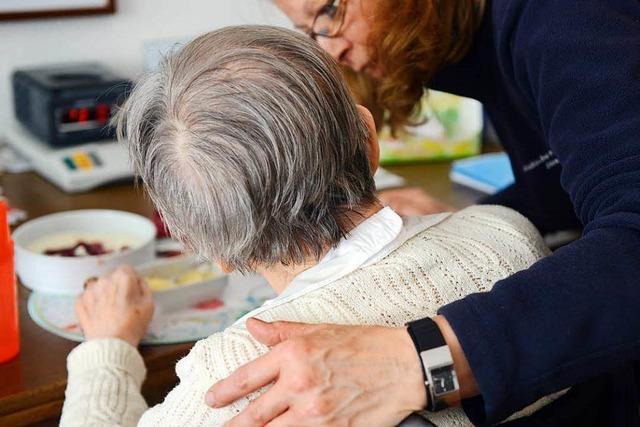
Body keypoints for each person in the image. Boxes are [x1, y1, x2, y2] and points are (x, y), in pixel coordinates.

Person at [60, 25, 556, 426]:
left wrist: (106, 347)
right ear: (368, 139)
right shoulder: (507, 234)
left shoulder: (235, 380)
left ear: (205, 244)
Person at [205, 1, 640, 426]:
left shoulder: (566, 17)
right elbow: (567, 182)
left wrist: (417, 360)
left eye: (330, 11)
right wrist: (468, 222)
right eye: (308, 31)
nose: (330, 49)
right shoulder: (489, 51)